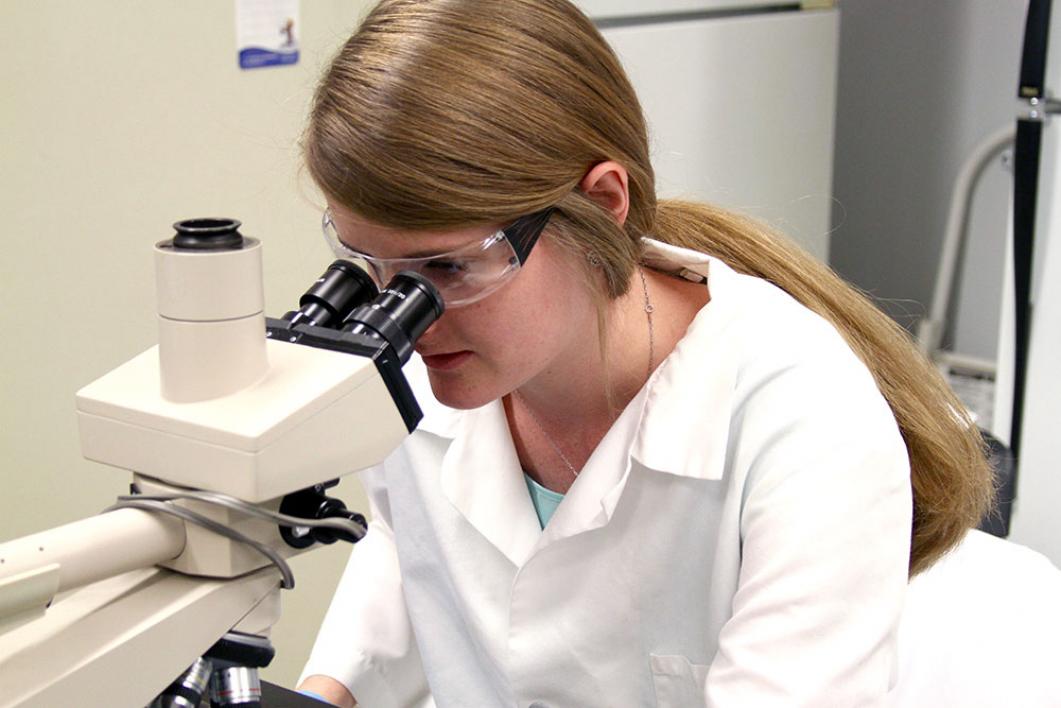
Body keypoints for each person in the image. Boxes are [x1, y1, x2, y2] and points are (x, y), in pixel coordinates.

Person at [295, 1, 992, 705]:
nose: (408, 320)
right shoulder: (422, 367)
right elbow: (408, 547)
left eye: (448, 268)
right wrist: (329, 690)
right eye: (369, 267)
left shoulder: (802, 418)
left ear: (601, 203)